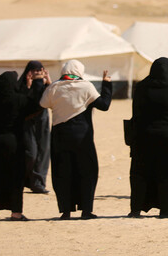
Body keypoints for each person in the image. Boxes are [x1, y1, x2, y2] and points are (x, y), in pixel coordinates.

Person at [39, 60, 112, 220]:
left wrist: (49, 85)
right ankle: (86, 211)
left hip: (60, 137)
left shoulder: (54, 87)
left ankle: (66, 211)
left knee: (63, 172)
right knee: (87, 171)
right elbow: (104, 105)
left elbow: (43, 103)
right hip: (82, 137)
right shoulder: (86, 86)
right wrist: (106, 84)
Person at [0, 70, 46, 220]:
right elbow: (37, 105)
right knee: (15, 176)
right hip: (14, 141)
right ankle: (16, 213)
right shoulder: (19, 100)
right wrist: (38, 83)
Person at [128, 57, 168, 218]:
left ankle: (136, 208)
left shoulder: (141, 87)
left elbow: (136, 109)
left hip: (143, 137)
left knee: (140, 174)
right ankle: (166, 210)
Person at [18, 61, 51, 194]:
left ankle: (38, 183)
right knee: (30, 153)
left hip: (42, 120)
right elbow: (20, 100)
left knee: (43, 151)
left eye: (40, 70)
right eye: (34, 70)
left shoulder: (45, 84)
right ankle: (25, 180)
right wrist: (28, 86)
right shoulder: (21, 84)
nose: (37, 73)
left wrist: (48, 82)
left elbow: (51, 97)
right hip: (27, 121)